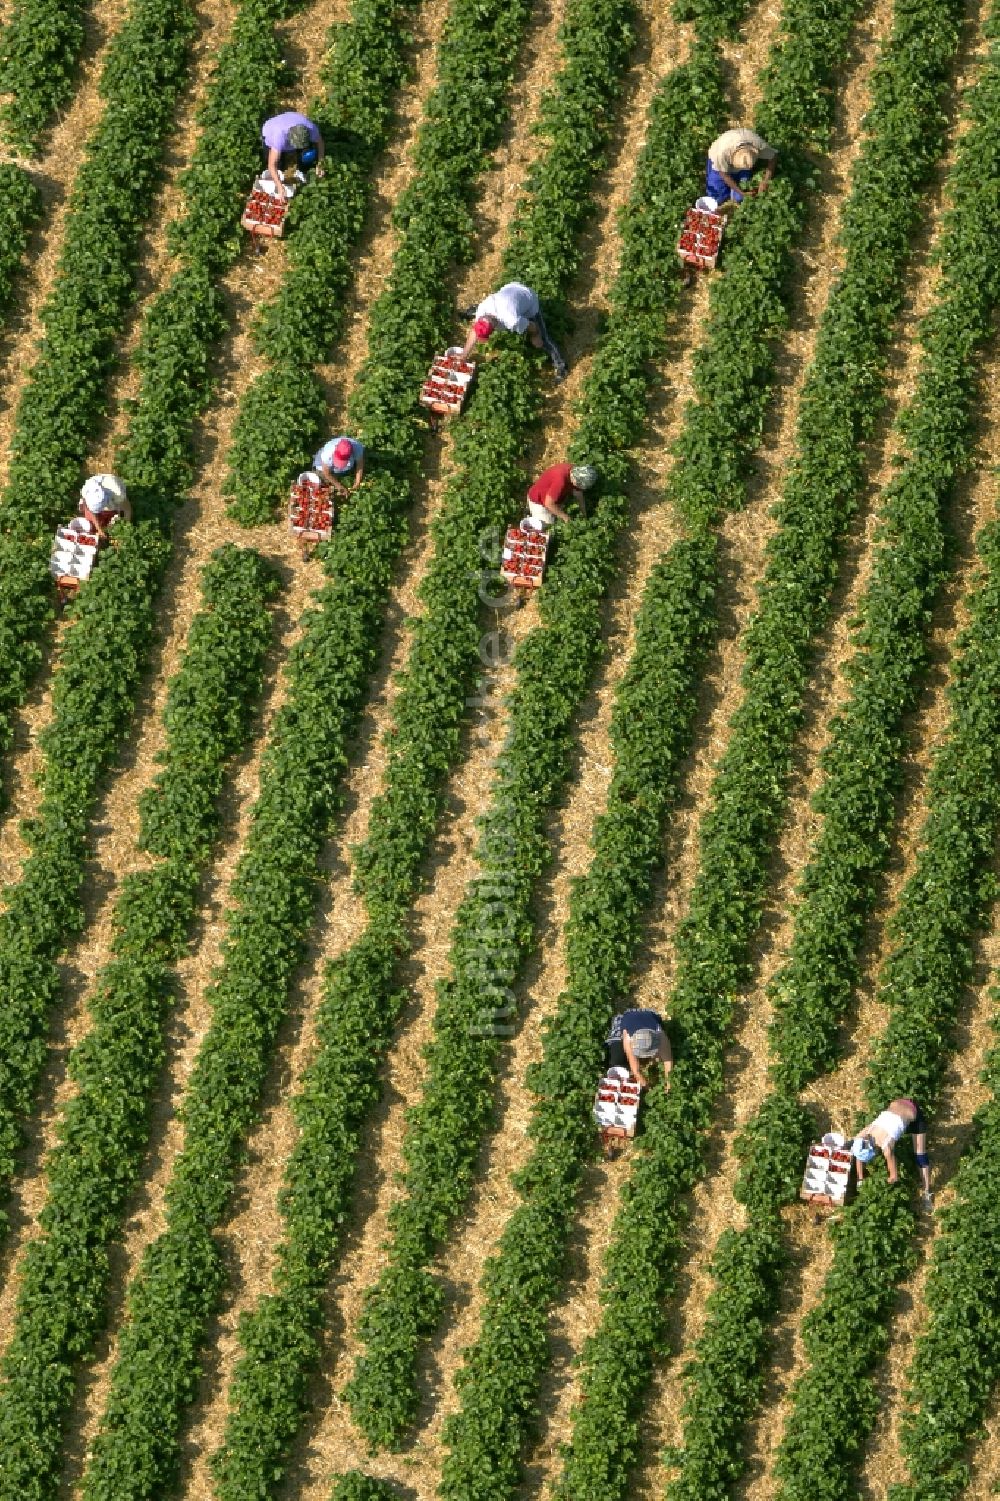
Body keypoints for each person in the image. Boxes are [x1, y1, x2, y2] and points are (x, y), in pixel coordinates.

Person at [461, 282, 567, 380]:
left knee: (544, 339)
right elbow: (475, 332)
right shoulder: (482, 309)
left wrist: (536, 335)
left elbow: (532, 326)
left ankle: (561, 366)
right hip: (510, 289)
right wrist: (464, 354)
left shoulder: (511, 320)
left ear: (493, 329)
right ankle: (471, 310)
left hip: (529, 301)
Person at [851, 1097, 932, 1207]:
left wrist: (879, 1186)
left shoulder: (887, 1147)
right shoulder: (863, 1134)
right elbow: (859, 1154)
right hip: (898, 1103)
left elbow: (894, 1177)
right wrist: (860, 1179)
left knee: (920, 1155)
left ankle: (927, 1192)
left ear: (873, 1152)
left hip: (913, 1111)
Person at [706, 126, 777, 207]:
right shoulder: (721, 154)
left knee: (739, 197)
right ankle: (725, 193)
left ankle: (735, 192)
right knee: (716, 197)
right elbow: (724, 175)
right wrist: (741, 192)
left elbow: (773, 157)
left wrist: (765, 180)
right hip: (719, 166)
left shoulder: (757, 144)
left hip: (741, 158)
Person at [261, 112, 326, 199]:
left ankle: (302, 171)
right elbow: (271, 165)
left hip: (290, 121)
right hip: (270, 131)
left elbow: (320, 143)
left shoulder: (311, 129)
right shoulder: (278, 137)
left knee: (308, 154)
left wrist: (320, 163)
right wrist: (279, 186)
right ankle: (278, 177)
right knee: (278, 165)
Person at [605, 1008, 672, 1089]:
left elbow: (668, 1061)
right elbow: (635, 1071)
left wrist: (668, 1083)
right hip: (626, 1017)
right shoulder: (629, 1039)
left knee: (661, 1055)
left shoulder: (660, 1035)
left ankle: (652, 1056)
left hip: (649, 1015)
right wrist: (647, 1088)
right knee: (617, 1059)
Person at [526, 462, 596, 528]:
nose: (580, 488)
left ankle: (554, 513)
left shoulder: (574, 472)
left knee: (557, 516)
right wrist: (565, 517)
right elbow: (548, 504)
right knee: (548, 527)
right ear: (576, 480)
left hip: (553, 498)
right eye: (580, 485)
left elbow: (579, 494)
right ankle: (531, 516)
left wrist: (584, 514)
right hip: (538, 501)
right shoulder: (560, 481)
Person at [79, 473, 131, 539]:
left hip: (113, 488)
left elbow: (127, 508)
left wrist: (126, 525)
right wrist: (99, 530)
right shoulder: (87, 490)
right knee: (88, 517)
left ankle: (112, 514)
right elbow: (90, 511)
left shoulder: (118, 493)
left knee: (114, 516)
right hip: (103, 494)